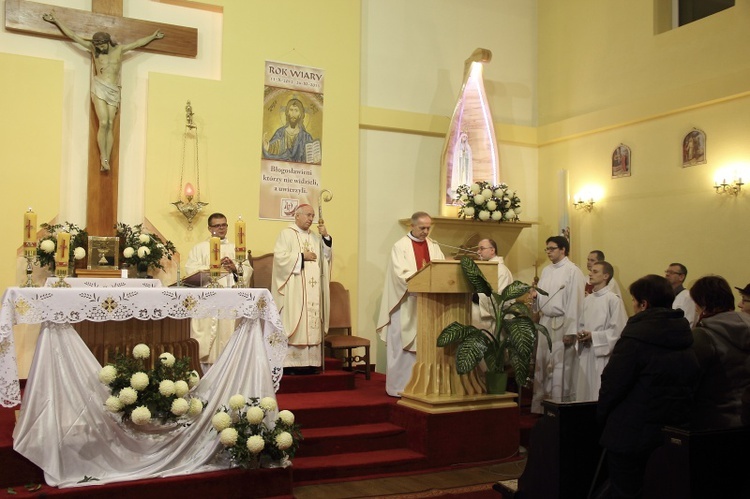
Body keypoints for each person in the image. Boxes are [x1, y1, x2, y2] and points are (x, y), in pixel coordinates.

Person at [598, 275, 700, 499]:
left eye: (634, 301)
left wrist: (603, 416)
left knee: (625, 489)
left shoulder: (635, 338)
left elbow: (612, 385)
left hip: (631, 433)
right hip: (671, 431)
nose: (633, 305)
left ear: (644, 304)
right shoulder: (684, 336)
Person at [43, 13, 164, 171]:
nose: (99, 48)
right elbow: (73, 35)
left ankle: (107, 155)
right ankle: (103, 158)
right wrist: (57, 20)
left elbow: (137, 43)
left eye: (101, 45)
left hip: (114, 90)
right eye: (97, 45)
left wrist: (153, 36)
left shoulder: (119, 50)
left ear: (108, 42)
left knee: (111, 124)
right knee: (104, 122)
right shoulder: (93, 50)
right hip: (99, 86)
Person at [376, 212, 445, 397]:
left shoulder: (434, 246)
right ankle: (400, 387)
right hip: (405, 303)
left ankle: (424, 386)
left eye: (428, 228)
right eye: (422, 227)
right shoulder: (400, 247)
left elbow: (442, 270)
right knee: (402, 347)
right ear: (412, 226)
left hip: (428, 304)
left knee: (425, 346)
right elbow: (400, 275)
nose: (426, 231)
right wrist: (421, 280)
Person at [185, 213, 252, 371]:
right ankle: (204, 371)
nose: (221, 228)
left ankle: (228, 369)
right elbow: (190, 271)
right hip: (208, 301)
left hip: (229, 301)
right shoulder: (199, 248)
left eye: (224, 225)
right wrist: (213, 266)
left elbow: (247, 271)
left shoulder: (236, 249)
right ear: (209, 228)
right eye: (217, 225)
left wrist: (235, 268)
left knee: (228, 337)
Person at [271, 204, 332, 373]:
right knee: (295, 321)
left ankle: (311, 362)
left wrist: (325, 236)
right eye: (308, 215)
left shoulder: (315, 237)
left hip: (313, 290)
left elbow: (325, 256)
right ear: (297, 216)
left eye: (312, 215)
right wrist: (302, 257)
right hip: (295, 289)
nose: (311, 218)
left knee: (312, 321)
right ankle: (292, 365)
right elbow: (280, 259)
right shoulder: (286, 234)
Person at [531, 236, 586, 412]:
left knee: (560, 365)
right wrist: (535, 299)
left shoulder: (573, 271)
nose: (548, 252)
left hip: (562, 323)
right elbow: (542, 296)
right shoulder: (546, 270)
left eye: (552, 248)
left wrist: (571, 330)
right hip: (546, 321)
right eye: (547, 249)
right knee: (543, 362)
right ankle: (541, 406)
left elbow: (576, 301)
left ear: (563, 249)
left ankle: (558, 406)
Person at [689, 275, 750, 429]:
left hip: (713, 421)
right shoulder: (745, 324)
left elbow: (688, 381)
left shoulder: (703, 336)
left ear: (703, 304)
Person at [574, 261, 627, 402]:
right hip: (586, 352)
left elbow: (618, 331)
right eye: (590, 270)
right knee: (583, 392)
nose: (590, 273)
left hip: (602, 354)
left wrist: (594, 336)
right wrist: (581, 334)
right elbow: (581, 323)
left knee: (598, 391)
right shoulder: (588, 300)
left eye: (595, 271)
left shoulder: (613, 300)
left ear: (606, 276)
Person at [471, 238, 513, 331]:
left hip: (492, 322)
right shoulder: (487, 268)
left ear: (492, 250)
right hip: (481, 320)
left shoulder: (501, 270)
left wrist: (475, 296)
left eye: (482, 249)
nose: (478, 252)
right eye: (478, 249)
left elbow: (498, 298)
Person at [262, 98, 317, 163]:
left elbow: (310, 160)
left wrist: (314, 159)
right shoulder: (280, 133)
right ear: (287, 112)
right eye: (291, 110)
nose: (293, 113)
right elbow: (271, 150)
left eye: (296, 110)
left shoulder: (306, 137)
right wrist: (266, 147)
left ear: (300, 114)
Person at [665, 262, 697, 327]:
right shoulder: (665, 295)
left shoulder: (688, 297)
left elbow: (689, 322)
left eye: (671, 272)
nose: (667, 274)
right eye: (667, 272)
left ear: (681, 277)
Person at [448, 131, 472, 201]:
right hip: (459, 163)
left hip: (465, 163)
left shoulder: (468, 146)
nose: (464, 138)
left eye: (466, 137)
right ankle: (458, 188)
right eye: (463, 137)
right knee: (460, 177)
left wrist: (466, 153)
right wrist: (461, 153)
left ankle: (465, 189)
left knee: (465, 177)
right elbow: (456, 155)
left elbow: (469, 156)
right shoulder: (458, 146)